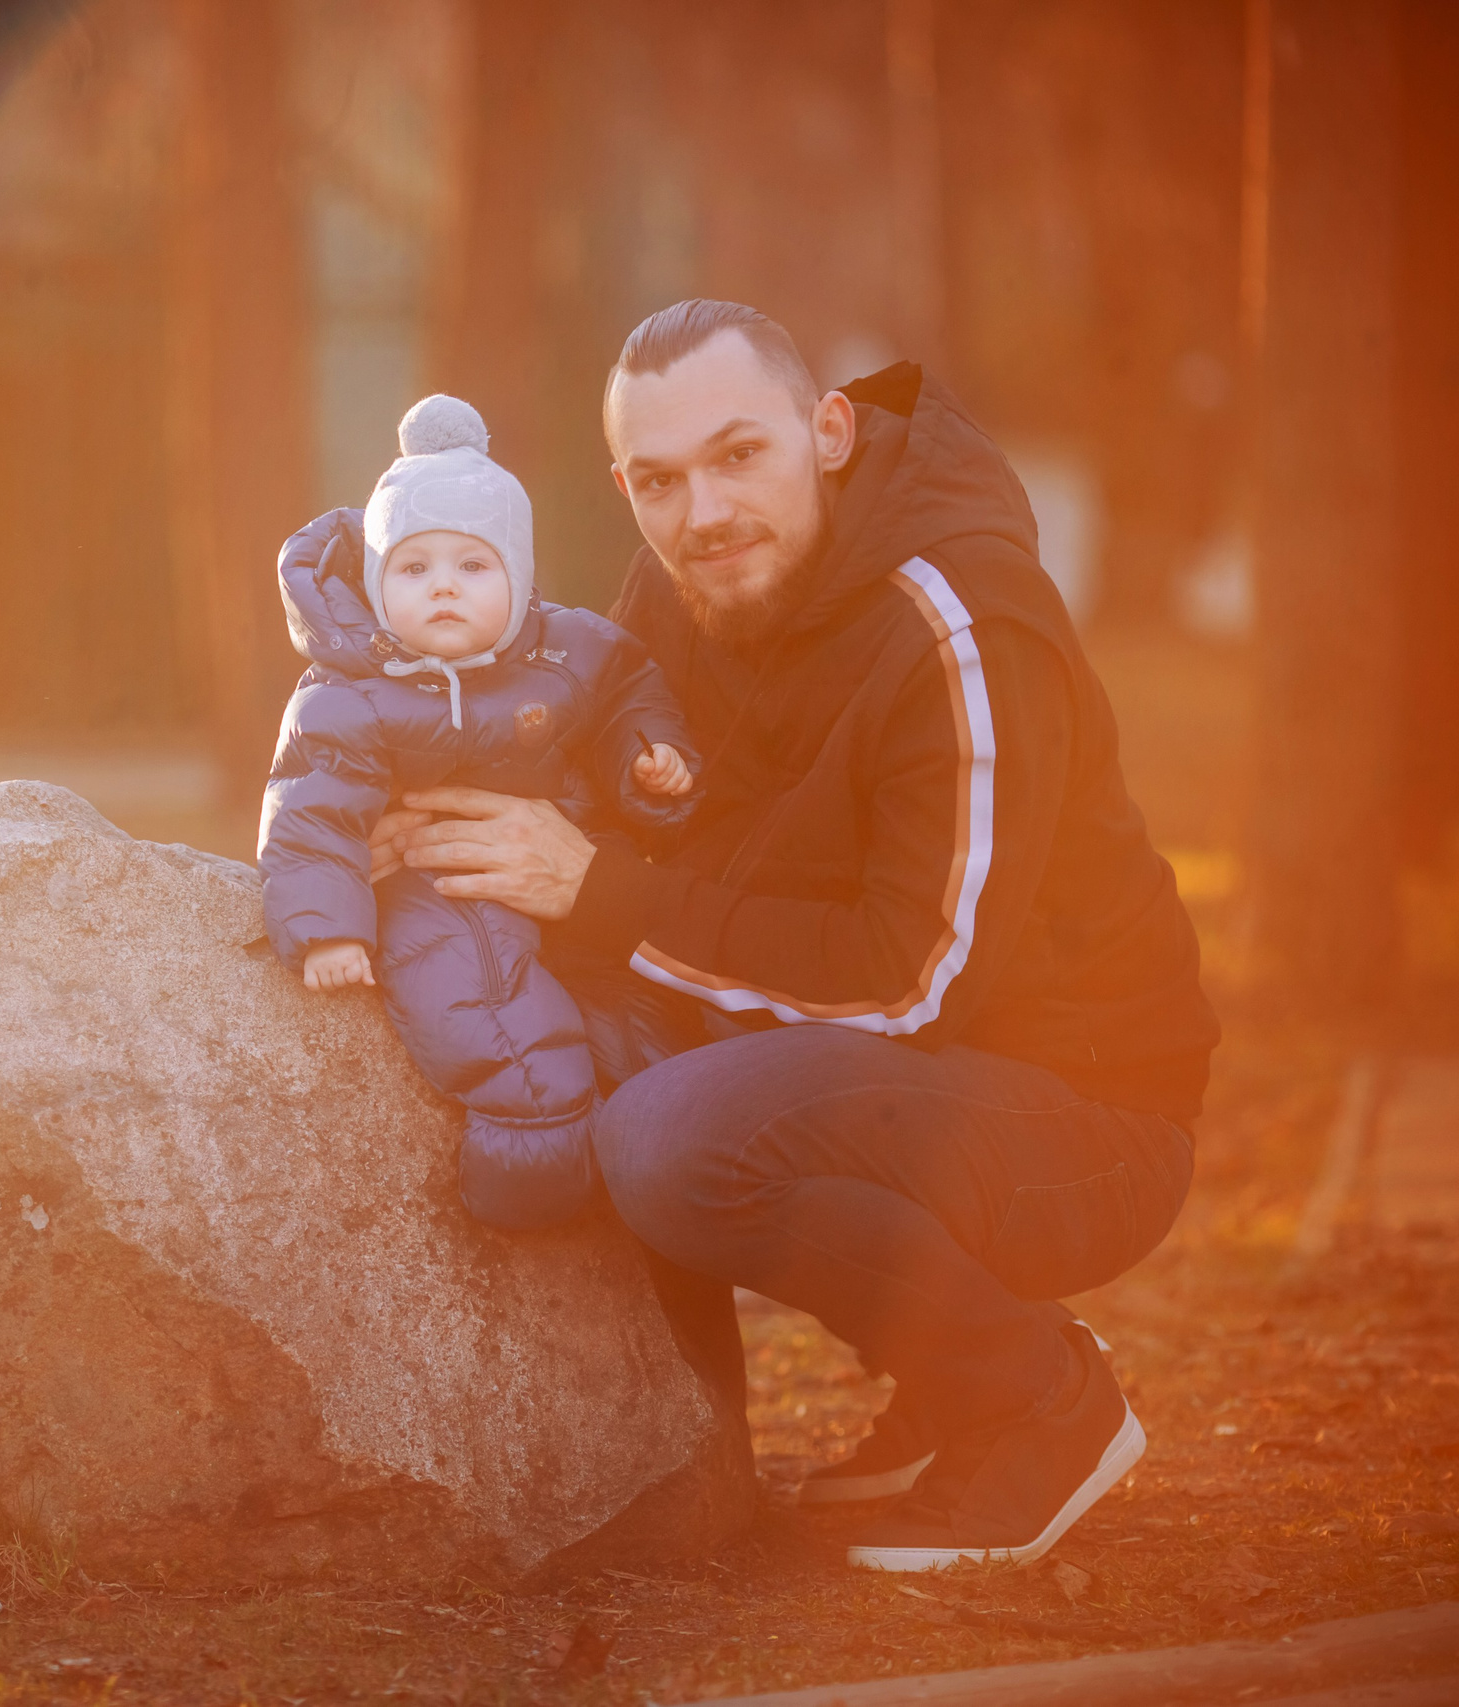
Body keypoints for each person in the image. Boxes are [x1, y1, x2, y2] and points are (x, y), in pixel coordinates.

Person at [351, 302, 1219, 1572]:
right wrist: (424, 822)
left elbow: (918, 988)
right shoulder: (689, 578)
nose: (703, 511)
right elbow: (594, 785)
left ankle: (1041, 1403)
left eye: (737, 454)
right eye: (660, 480)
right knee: (580, 1038)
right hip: (905, 1083)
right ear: (622, 486)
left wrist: (597, 893)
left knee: (667, 1136)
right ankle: (925, 1398)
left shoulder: (961, 620)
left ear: (824, 433)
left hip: (1087, 1118)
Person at [260, 394, 701, 1229]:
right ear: (377, 581)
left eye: (472, 567)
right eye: (414, 569)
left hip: (565, 864)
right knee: (497, 1024)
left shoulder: (564, 649)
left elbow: (626, 694)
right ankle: (530, 1189)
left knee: (636, 1023)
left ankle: (645, 1154)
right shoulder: (350, 695)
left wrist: (650, 760)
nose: (444, 591)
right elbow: (309, 809)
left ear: (519, 575)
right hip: (441, 885)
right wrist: (329, 927)